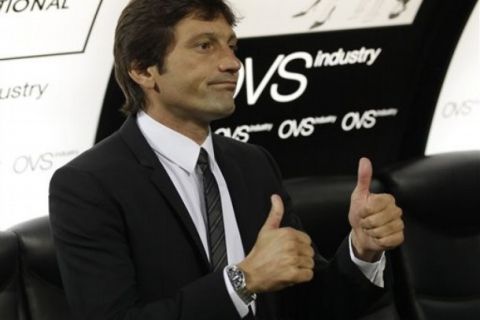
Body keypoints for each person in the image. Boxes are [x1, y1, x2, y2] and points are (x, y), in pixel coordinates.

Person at [49, 0, 404, 319]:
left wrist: (362, 249)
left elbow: (312, 306)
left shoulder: (253, 164)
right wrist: (243, 280)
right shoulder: (87, 185)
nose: (232, 63)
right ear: (143, 70)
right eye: (205, 46)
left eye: (232, 47)